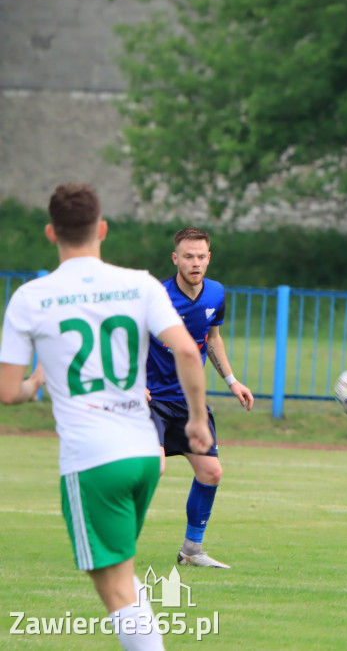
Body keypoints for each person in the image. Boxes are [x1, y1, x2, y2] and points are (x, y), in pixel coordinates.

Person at [0, 183, 212, 650]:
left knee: (115, 589)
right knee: (124, 577)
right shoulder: (140, 283)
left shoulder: (31, 297)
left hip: (93, 460)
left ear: (51, 232)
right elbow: (187, 352)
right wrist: (197, 419)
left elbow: (7, 392)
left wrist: (37, 382)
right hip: (143, 455)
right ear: (102, 229)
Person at [146, 226, 254, 569]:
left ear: (209, 258)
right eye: (188, 256)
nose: (195, 263)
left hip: (188, 401)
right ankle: (107, 535)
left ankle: (192, 550)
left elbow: (212, 338)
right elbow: (126, 338)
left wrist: (232, 381)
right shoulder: (156, 296)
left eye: (201, 256)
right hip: (149, 399)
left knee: (211, 472)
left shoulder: (216, 293)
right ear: (175, 258)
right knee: (153, 467)